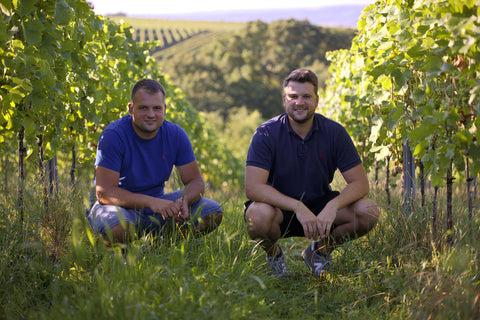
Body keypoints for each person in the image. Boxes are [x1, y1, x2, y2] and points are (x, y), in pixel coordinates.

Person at [244, 68, 379, 277]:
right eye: (293, 96)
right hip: (279, 209)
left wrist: (333, 206)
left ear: (317, 100)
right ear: (284, 99)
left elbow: (360, 184)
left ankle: (319, 252)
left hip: (321, 206)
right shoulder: (265, 133)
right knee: (257, 217)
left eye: (306, 96)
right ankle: (273, 254)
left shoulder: (335, 133)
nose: (299, 102)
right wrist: (297, 206)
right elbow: (253, 188)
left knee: (368, 211)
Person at [87, 78, 223, 247]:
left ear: (164, 109)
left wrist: (185, 201)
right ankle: (121, 255)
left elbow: (195, 181)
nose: (151, 114)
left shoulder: (175, 135)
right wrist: (152, 202)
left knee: (212, 212)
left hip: (157, 207)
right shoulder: (113, 136)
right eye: (143, 108)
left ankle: (158, 248)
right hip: (116, 207)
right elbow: (104, 193)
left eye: (156, 108)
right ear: (131, 109)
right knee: (117, 228)